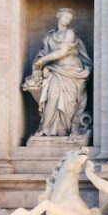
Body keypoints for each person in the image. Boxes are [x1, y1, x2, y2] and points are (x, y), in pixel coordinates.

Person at [30, 8, 91, 137]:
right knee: (52, 98)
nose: (66, 20)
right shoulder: (50, 36)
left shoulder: (70, 33)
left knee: (69, 105)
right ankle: (46, 129)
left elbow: (62, 52)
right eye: (65, 17)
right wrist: (42, 64)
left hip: (72, 73)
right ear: (59, 16)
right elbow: (44, 53)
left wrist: (43, 61)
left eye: (69, 19)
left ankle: (64, 129)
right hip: (55, 72)